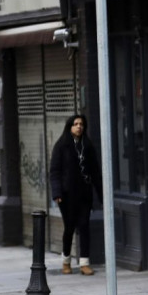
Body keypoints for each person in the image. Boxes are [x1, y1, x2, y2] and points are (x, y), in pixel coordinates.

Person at [49, 113, 102, 275]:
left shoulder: (88, 145)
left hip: (84, 194)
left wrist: (101, 195)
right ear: (70, 126)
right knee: (70, 227)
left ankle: (85, 262)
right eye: (76, 124)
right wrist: (57, 192)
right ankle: (66, 261)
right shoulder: (61, 145)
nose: (79, 126)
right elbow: (54, 171)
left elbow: (95, 171)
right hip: (67, 195)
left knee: (84, 226)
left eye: (81, 124)